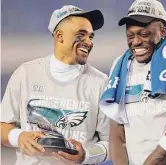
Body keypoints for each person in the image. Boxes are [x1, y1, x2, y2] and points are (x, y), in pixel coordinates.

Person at [1, 5, 109, 165]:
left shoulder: (100, 83)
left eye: (91, 37)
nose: (88, 42)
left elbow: (113, 143)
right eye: (81, 35)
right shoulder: (25, 74)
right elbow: (2, 127)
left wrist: (86, 154)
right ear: (59, 36)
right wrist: (19, 137)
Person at [99, 0, 166, 164]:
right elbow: (117, 134)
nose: (136, 42)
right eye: (130, 36)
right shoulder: (120, 64)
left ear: (162, 31)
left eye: (144, 34)